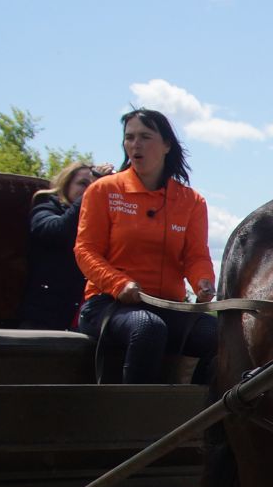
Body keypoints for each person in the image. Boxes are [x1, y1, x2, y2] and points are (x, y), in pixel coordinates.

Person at [74, 109, 218, 382]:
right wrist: (119, 284)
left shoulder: (191, 201)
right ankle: (135, 418)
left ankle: (201, 415)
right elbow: (85, 250)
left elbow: (196, 255)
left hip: (168, 306)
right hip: (109, 306)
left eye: (145, 137)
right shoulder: (104, 190)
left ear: (166, 145)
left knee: (219, 336)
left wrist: (203, 282)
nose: (135, 144)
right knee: (148, 327)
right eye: (129, 138)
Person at [20, 159, 107, 329]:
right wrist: (93, 192)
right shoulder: (45, 206)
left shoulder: (101, 222)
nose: (90, 189)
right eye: (83, 184)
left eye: (95, 186)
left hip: (83, 316)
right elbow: (58, 231)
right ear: (66, 185)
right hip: (44, 316)